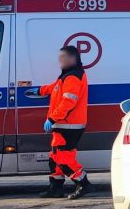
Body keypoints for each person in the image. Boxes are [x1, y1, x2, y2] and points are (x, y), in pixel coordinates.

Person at [31, 46, 94, 200]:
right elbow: (55, 87)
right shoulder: (67, 76)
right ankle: (56, 187)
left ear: (72, 58)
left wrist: (52, 118)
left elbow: (68, 102)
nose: (59, 59)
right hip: (64, 124)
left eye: (63, 56)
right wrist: (40, 90)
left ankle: (83, 183)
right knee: (55, 157)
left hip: (68, 124)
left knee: (63, 158)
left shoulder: (73, 77)